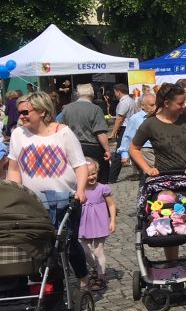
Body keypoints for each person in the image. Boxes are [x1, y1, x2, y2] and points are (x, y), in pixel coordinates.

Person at [7, 91, 90, 285]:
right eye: (20, 112)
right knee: (37, 244)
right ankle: (48, 283)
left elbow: (80, 165)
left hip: (65, 199)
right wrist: (13, 193)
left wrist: (80, 190)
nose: (21, 116)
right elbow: (14, 168)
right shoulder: (18, 134)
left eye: (26, 112)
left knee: (67, 242)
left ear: (43, 112)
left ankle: (82, 278)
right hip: (32, 202)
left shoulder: (63, 133)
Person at [129, 83, 186, 261]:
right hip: (163, 181)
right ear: (166, 103)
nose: (183, 106)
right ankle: (172, 266)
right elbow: (134, 148)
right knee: (170, 220)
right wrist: (147, 168)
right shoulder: (151, 124)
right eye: (180, 103)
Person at [61, 83, 112, 183]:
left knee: (76, 176)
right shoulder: (96, 109)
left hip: (72, 146)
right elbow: (100, 132)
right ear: (92, 95)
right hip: (92, 147)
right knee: (97, 176)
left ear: (78, 94)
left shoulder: (66, 108)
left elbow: (61, 129)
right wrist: (107, 150)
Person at [78, 158, 116, 291]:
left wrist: (112, 221)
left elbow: (111, 204)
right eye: (87, 175)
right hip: (83, 223)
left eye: (93, 173)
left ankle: (101, 275)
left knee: (99, 250)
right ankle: (95, 267)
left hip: (99, 222)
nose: (91, 177)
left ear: (97, 172)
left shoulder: (103, 188)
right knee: (85, 250)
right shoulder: (79, 189)